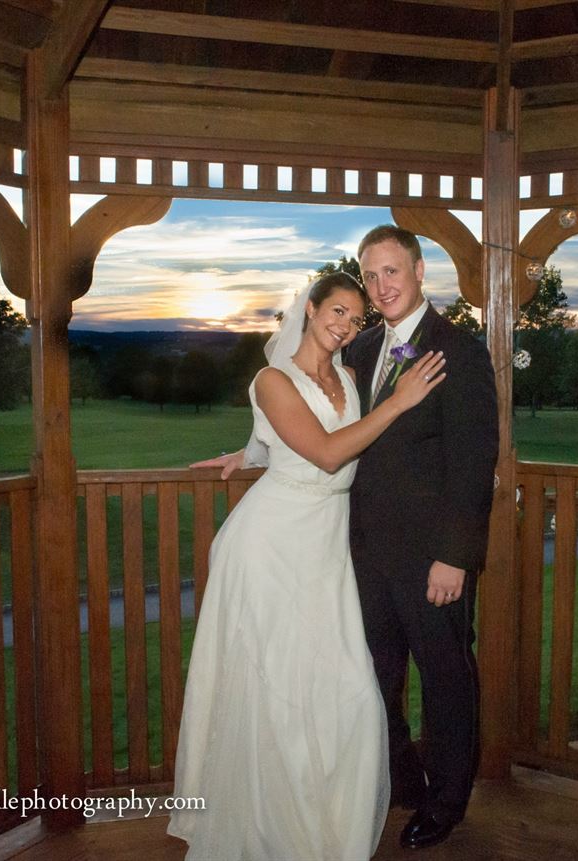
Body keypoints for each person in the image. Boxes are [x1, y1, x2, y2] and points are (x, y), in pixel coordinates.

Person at [202, 225, 499, 850]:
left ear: (418, 271)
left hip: (430, 559)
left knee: (445, 675)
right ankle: (402, 780)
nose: (382, 285)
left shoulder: (458, 351)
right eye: (371, 275)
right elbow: (316, 420)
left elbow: (475, 464)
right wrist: (252, 451)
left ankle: (446, 802)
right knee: (372, 680)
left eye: (393, 271)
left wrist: (454, 556)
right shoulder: (359, 349)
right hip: (356, 553)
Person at [167, 270, 447, 860]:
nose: (346, 325)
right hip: (270, 545)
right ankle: (266, 824)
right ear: (311, 308)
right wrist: (400, 401)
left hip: (326, 545)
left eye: (356, 318)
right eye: (337, 310)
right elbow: (324, 452)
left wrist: (249, 450)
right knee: (273, 691)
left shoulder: (349, 376)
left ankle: (323, 821)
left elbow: (303, 438)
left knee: (349, 691)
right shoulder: (271, 379)